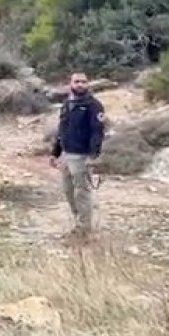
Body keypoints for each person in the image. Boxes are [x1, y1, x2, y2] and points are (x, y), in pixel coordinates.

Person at [49, 72, 105, 239]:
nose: (80, 84)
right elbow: (61, 131)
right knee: (68, 191)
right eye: (77, 81)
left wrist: (93, 155)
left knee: (82, 192)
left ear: (88, 84)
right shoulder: (67, 104)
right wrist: (55, 153)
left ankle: (84, 229)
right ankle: (78, 222)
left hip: (82, 156)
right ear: (71, 84)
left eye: (84, 82)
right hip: (67, 154)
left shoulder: (94, 105)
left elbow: (97, 132)